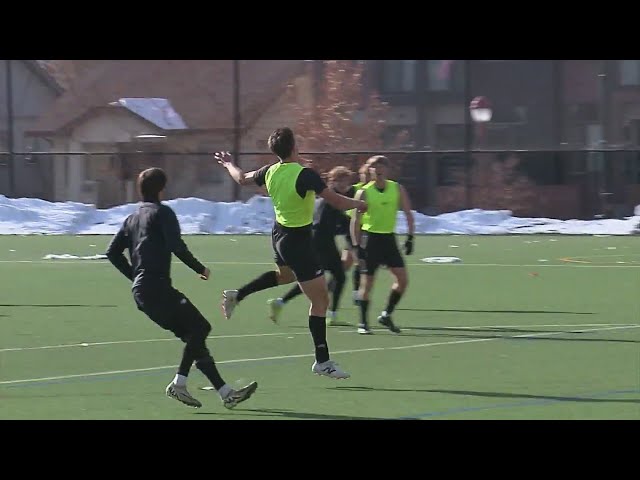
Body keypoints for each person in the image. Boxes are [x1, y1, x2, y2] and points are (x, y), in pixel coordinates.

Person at [215, 127, 367, 379]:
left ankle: (237, 294)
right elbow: (337, 201)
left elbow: (241, 178)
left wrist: (228, 163)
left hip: (278, 237)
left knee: (285, 277)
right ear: (295, 147)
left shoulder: (270, 171)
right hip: (298, 241)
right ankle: (323, 361)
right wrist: (360, 204)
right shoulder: (305, 175)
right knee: (320, 302)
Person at [105, 167, 258, 409]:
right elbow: (176, 245)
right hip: (156, 288)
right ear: (162, 189)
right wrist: (200, 268)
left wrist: (135, 277)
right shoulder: (163, 213)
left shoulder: (132, 218)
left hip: (142, 292)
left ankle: (226, 393)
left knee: (193, 338)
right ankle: (179, 383)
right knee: (201, 327)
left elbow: (112, 253)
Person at [267, 166, 356, 326]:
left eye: (347, 183)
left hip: (318, 243)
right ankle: (332, 314)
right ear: (332, 181)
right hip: (320, 244)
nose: (345, 186)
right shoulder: (331, 200)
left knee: (314, 280)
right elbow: (322, 224)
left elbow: (340, 221)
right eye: (341, 182)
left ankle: (280, 302)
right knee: (336, 277)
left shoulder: (328, 199)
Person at [350, 155, 415, 335]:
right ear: (369, 171)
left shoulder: (397, 188)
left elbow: (408, 213)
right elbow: (355, 221)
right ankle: (363, 323)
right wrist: (356, 246)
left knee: (403, 280)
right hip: (370, 240)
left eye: (382, 168)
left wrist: (410, 237)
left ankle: (386, 314)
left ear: (387, 170)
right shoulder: (364, 192)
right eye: (374, 168)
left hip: (389, 240)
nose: (378, 171)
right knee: (368, 283)